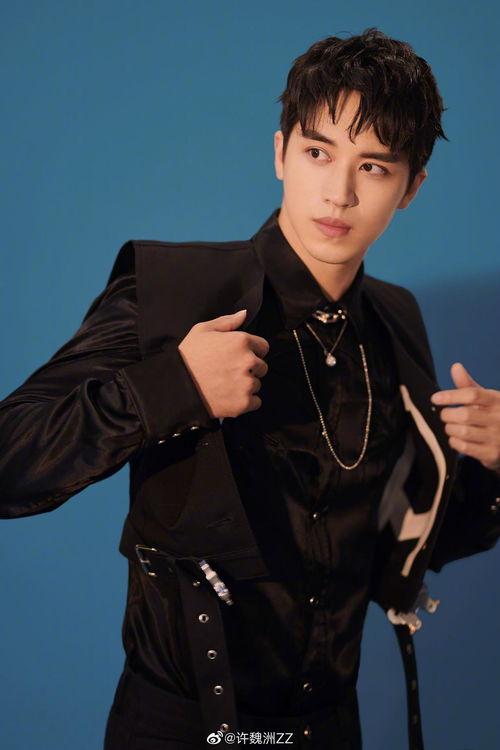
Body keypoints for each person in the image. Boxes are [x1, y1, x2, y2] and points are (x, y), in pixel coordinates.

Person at [1, 27, 499, 750]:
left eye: (374, 167)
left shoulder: (397, 321)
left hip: (333, 729)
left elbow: (405, 542)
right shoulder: (174, 291)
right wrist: (171, 387)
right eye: (318, 152)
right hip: (180, 730)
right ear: (280, 153)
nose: (339, 193)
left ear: (411, 188)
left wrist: (491, 469)